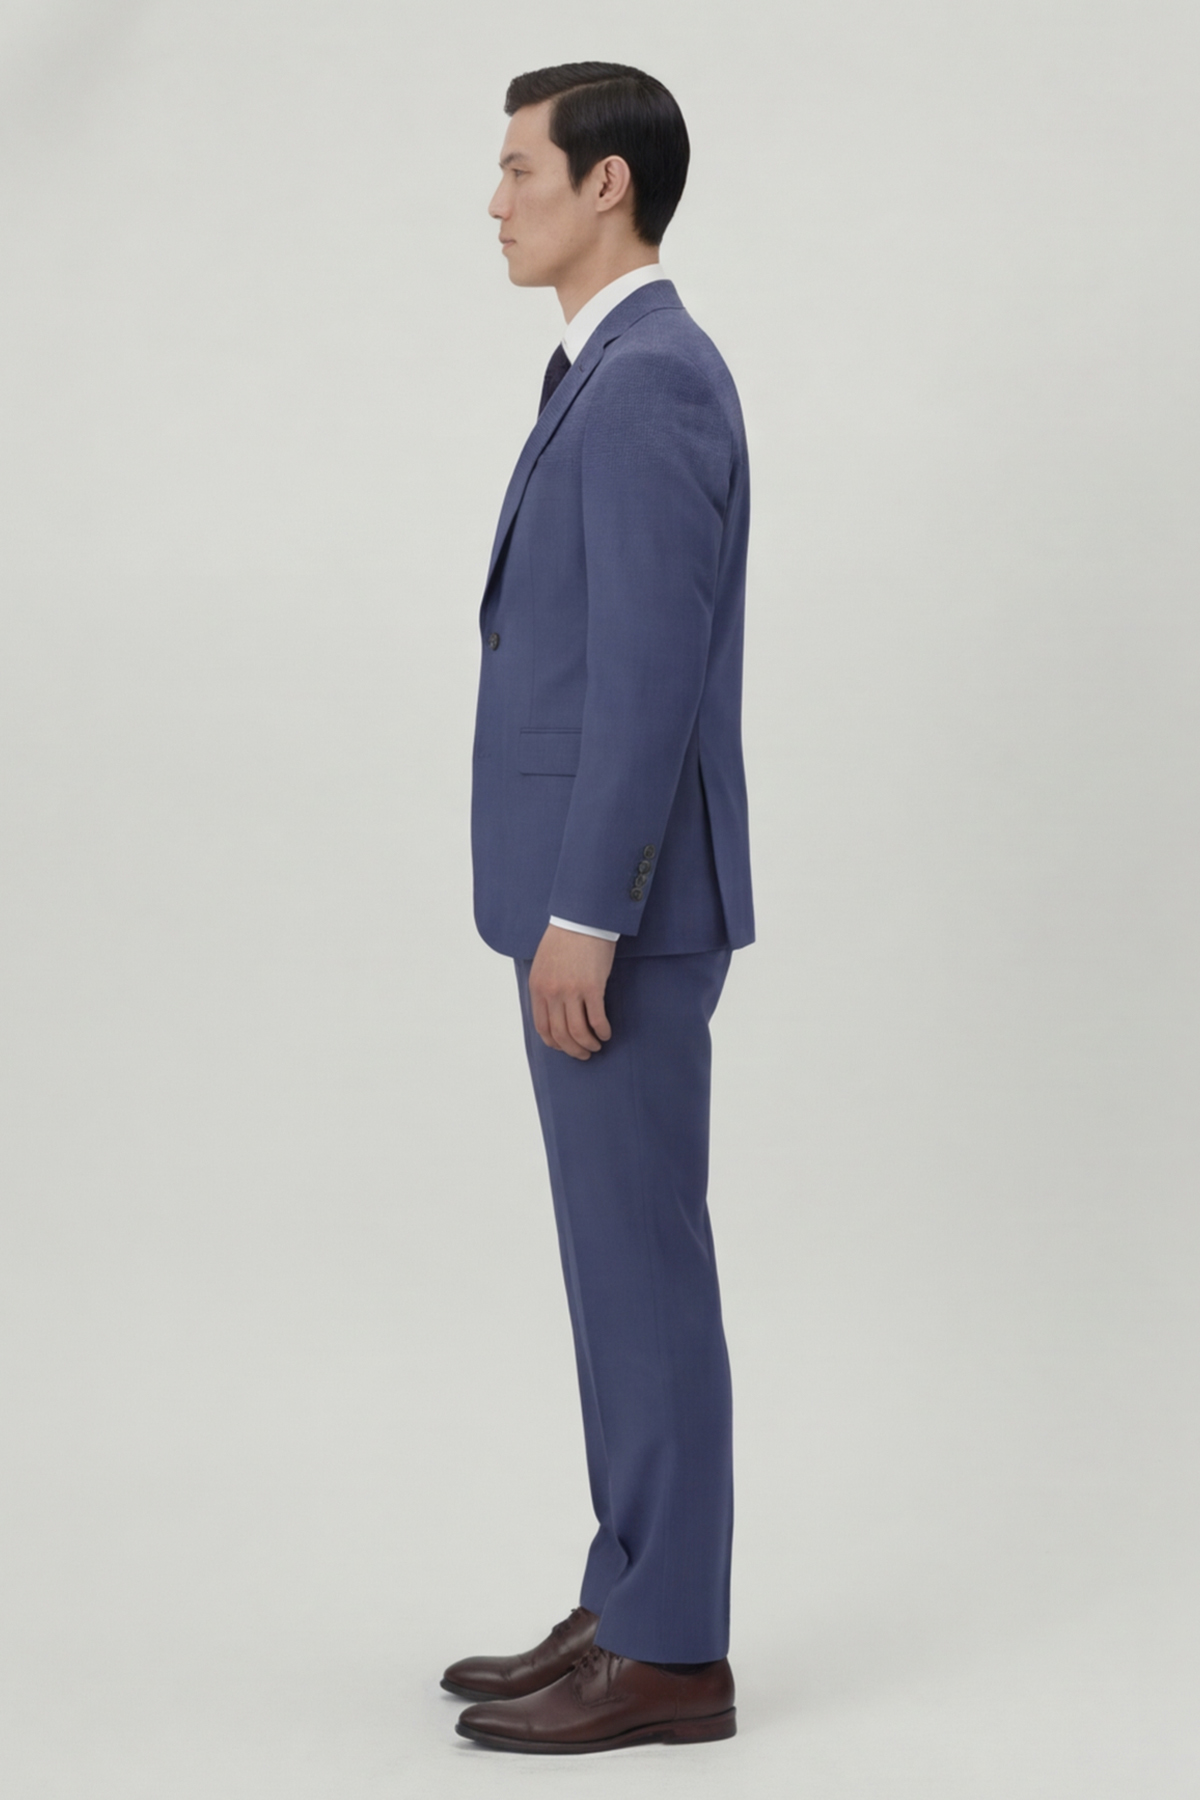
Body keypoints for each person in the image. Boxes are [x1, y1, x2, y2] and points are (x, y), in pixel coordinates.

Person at [443, 61, 754, 1755]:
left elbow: (646, 680)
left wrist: (590, 911)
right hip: (592, 909)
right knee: (613, 1269)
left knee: (642, 1268)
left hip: (616, 918)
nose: (496, 201)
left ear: (606, 184)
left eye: (519, 169)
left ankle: (674, 1651)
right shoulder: (608, 375)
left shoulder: (650, 386)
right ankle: (631, 1589)